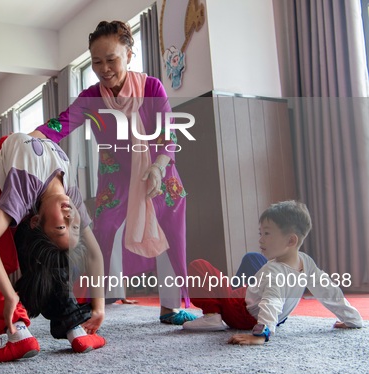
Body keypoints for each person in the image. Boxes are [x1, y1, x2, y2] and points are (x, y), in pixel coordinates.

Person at [33, 20, 195, 325]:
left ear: (129, 55)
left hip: (161, 171)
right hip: (116, 177)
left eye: (112, 60)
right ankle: (96, 301)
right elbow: (62, 123)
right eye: (96, 62)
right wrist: (32, 137)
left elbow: (169, 135)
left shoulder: (151, 88)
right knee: (105, 230)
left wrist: (158, 168)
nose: (104, 69)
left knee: (171, 232)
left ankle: (171, 307)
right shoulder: (92, 97)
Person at [0, 131, 106, 363]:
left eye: (62, 227)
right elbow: (95, 253)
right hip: (24, 157)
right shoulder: (72, 196)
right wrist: (98, 307)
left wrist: (10, 296)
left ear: (36, 220)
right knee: (50, 253)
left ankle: (19, 333)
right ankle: (74, 328)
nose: (70, 217)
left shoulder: (24, 185)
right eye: (74, 228)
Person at [182, 200, 363, 344]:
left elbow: (271, 302)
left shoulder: (273, 272)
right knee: (252, 258)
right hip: (270, 309)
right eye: (260, 233)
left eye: (267, 234)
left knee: (199, 266)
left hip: (243, 313)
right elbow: (328, 290)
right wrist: (352, 319)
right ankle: (229, 293)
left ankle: (212, 316)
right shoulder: (305, 261)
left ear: (291, 240)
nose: (261, 239)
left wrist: (261, 334)